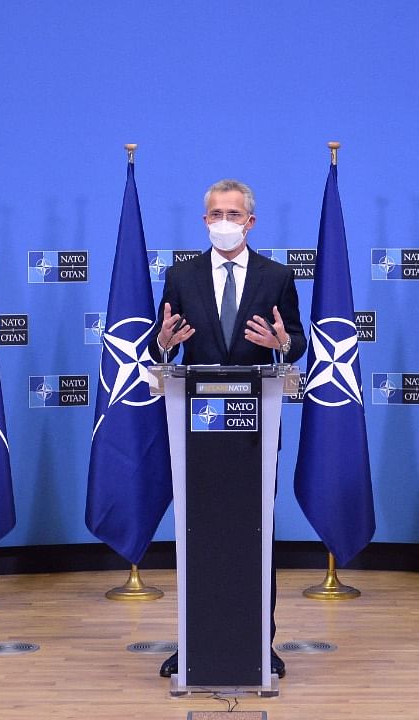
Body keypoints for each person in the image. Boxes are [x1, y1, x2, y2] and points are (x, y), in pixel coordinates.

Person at [151, 179, 306, 680]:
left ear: (250, 222)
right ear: (204, 221)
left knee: (257, 533)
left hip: (255, 428)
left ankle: (263, 643)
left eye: (233, 214)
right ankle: (194, 641)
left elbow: (295, 342)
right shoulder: (181, 276)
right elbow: (164, 344)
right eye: (215, 214)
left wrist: (284, 343)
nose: (223, 222)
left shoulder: (277, 276)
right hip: (196, 429)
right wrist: (164, 346)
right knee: (199, 533)